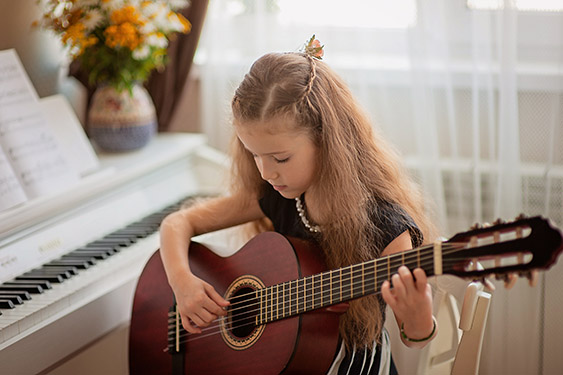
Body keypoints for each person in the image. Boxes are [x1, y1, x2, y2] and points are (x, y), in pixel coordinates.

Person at [159, 36, 439, 375]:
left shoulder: (386, 229)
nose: (265, 171)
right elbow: (177, 224)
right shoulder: (277, 195)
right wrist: (182, 282)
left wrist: (419, 318)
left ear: (327, 141)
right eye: (254, 155)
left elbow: (415, 339)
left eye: (280, 157)